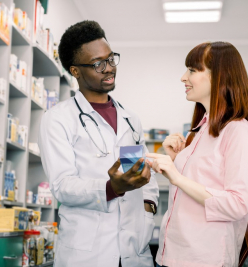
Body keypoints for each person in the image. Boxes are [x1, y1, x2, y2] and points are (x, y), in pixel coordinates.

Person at [38, 20, 159, 267]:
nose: (109, 68)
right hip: (87, 253)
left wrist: (148, 206)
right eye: (98, 64)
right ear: (75, 71)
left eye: (111, 59)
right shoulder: (58, 119)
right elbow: (62, 185)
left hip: (134, 250)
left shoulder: (130, 119)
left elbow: (139, 169)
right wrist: (110, 188)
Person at [146, 42, 248, 267]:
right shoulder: (201, 130)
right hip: (172, 254)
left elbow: (238, 205)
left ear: (219, 76)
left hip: (204, 259)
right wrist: (175, 160)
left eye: (192, 70)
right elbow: (193, 190)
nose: (183, 77)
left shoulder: (238, 131)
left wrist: (177, 177)